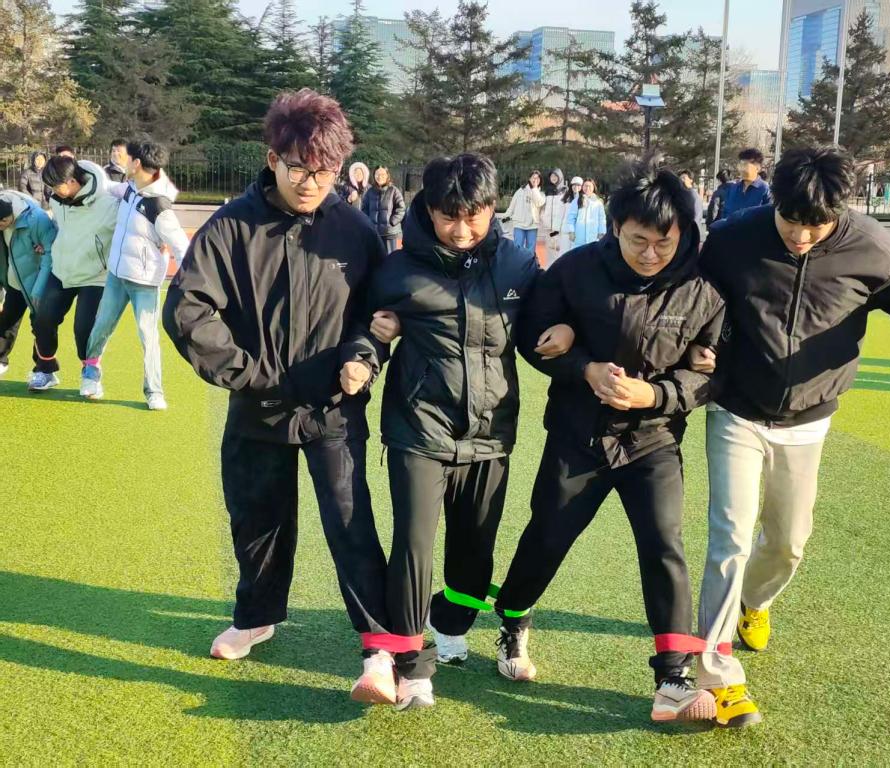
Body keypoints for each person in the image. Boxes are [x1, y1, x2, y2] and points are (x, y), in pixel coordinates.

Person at [693, 146, 890, 728]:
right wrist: (696, 347)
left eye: (815, 225)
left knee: (788, 542)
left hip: (809, 419)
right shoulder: (732, 239)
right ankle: (717, 674)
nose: (800, 235)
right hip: (737, 411)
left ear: (839, 212)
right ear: (774, 201)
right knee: (729, 539)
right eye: (790, 221)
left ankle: (755, 602)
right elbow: (693, 298)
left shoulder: (868, 243)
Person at [163, 88, 398, 705]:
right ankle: (256, 616)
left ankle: (378, 647)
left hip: (333, 407)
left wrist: (361, 358)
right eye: (299, 169)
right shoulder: (231, 226)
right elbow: (187, 309)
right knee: (256, 517)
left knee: (350, 521)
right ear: (273, 160)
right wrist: (249, 373)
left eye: (324, 171)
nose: (311, 183)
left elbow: (378, 315)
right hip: (257, 403)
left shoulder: (356, 231)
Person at [492, 155, 725, 725]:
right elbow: (532, 336)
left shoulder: (705, 287)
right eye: (637, 240)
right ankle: (513, 620)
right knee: (548, 535)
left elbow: (716, 372)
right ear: (615, 226)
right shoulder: (575, 271)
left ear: (683, 233)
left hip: (653, 441)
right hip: (579, 436)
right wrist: (582, 366)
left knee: (664, 544)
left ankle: (673, 677)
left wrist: (658, 395)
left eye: (664, 243)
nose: (650, 254)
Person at [347, 152, 574, 711]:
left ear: (492, 208)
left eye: (474, 215)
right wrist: (364, 355)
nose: (462, 228)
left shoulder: (518, 265)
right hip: (418, 428)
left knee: (474, 553)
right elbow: (366, 329)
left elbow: (542, 330)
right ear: (428, 209)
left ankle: (449, 622)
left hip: (491, 433)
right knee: (414, 543)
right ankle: (410, 665)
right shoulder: (397, 271)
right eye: (449, 216)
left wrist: (564, 334)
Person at [81, 140, 190, 409]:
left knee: (148, 337)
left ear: (137, 163)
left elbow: (181, 247)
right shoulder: (130, 188)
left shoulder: (160, 207)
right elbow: (109, 187)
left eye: (127, 158)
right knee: (101, 326)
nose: (123, 161)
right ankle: (90, 374)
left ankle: (154, 391)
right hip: (116, 276)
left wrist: (189, 284)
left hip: (144, 282)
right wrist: (84, 171)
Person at [30, 156, 118, 392]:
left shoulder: (110, 202)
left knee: (84, 329)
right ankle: (46, 370)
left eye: (56, 185)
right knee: (42, 319)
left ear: (71, 180)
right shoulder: (58, 200)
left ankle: (90, 375)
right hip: (62, 270)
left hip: (95, 276)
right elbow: (58, 226)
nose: (53, 191)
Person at [0, 192, 56, 377]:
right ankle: (1, 360)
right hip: (14, 282)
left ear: (7, 218)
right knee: (6, 321)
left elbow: (50, 253)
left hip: (37, 283)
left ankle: (43, 371)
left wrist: (39, 289)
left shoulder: (37, 219)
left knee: (41, 326)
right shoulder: (3, 211)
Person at [361, 166, 406, 253]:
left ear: (387, 175)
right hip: (375, 234)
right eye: (377, 174)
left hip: (392, 234)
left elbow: (401, 208)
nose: (380, 176)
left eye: (382, 174)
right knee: (377, 259)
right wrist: (368, 222)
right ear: (374, 176)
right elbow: (364, 208)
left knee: (395, 259)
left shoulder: (394, 190)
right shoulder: (370, 191)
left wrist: (392, 221)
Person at [719, 148, 770, 220]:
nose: (742, 169)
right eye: (741, 164)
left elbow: (769, 217)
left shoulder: (765, 190)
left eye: (746, 165)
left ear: (758, 168)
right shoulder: (733, 188)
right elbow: (725, 213)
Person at [506, 170, 545, 255]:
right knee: (517, 248)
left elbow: (539, 203)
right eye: (533, 177)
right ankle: (517, 263)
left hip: (532, 225)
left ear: (540, 180)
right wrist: (505, 217)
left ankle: (529, 263)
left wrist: (534, 189)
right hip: (519, 224)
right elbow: (512, 205)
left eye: (537, 178)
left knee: (530, 251)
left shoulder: (541, 194)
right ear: (529, 178)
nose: (535, 180)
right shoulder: (520, 190)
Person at [539, 169, 567, 265]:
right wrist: (543, 218)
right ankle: (549, 270)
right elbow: (543, 208)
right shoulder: (548, 191)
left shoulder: (565, 191)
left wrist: (562, 224)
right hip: (548, 227)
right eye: (552, 176)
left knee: (559, 251)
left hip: (559, 228)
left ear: (560, 177)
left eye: (555, 176)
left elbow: (566, 209)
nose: (553, 178)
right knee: (549, 251)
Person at [566, 178, 606, 247]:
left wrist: (601, 232)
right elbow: (571, 217)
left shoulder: (598, 202)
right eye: (585, 186)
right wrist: (571, 231)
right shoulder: (577, 200)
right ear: (582, 187)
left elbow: (602, 218)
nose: (587, 188)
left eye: (589, 186)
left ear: (593, 188)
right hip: (579, 237)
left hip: (593, 237)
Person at [558, 176, 583, 255]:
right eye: (574, 185)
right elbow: (560, 215)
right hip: (565, 230)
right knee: (564, 253)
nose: (576, 187)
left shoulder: (584, 199)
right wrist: (558, 230)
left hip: (578, 231)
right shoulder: (566, 198)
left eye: (578, 185)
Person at [679, 169, 705, 240]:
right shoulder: (680, 195)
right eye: (680, 178)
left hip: (689, 235)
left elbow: (697, 217)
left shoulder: (694, 197)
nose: (682, 180)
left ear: (691, 180)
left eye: (684, 178)